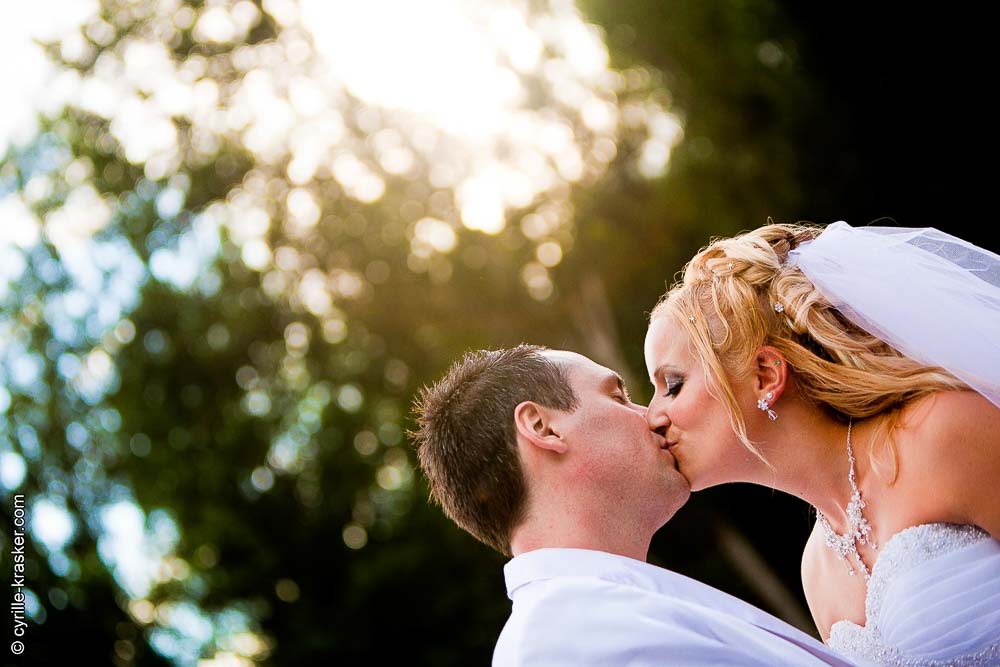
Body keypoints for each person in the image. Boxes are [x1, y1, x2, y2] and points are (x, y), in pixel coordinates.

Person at [644, 221, 1000, 666]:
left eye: (672, 384)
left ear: (766, 376)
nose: (652, 416)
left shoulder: (941, 435)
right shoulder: (817, 571)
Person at [411, 344, 863, 666]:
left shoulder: (599, 613)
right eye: (617, 396)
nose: (652, 415)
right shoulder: (562, 646)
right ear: (543, 428)